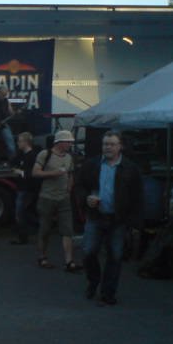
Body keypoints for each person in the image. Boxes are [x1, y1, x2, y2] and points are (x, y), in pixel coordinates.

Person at [75, 130, 143, 305]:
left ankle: (108, 292)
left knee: (115, 256)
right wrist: (86, 198)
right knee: (88, 252)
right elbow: (79, 186)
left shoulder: (130, 168)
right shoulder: (92, 165)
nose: (108, 147)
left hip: (118, 219)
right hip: (96, 216)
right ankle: (94, 280)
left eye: (112, 144)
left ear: (120, 146)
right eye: (105, 144)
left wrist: (134, 223)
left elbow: (137, 196)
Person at [33, 130, 78, 271]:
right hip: (47, 198)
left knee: (68, 230)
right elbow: (35, 172)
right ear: (59, 142)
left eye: (71, 142)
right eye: (68, 142)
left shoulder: (69, 157)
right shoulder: (45, 154)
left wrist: (69, 187)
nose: (70, 144)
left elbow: (70, 174)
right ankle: (42, 257)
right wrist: (54, 173)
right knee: (45, 229)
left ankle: (69, 261)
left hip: (64, 198)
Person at [10, 131, 41, 245]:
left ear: (26, 142)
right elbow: (13, 162)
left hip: (27, 189)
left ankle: (23, 237)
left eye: (19, 141)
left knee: (21, 213)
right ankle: (24, 235)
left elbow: (33, 173)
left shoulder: (33, 156)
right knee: (23, 212)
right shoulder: (21, 154)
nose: (18, 143)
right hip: (21, 188)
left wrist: (20, 172)